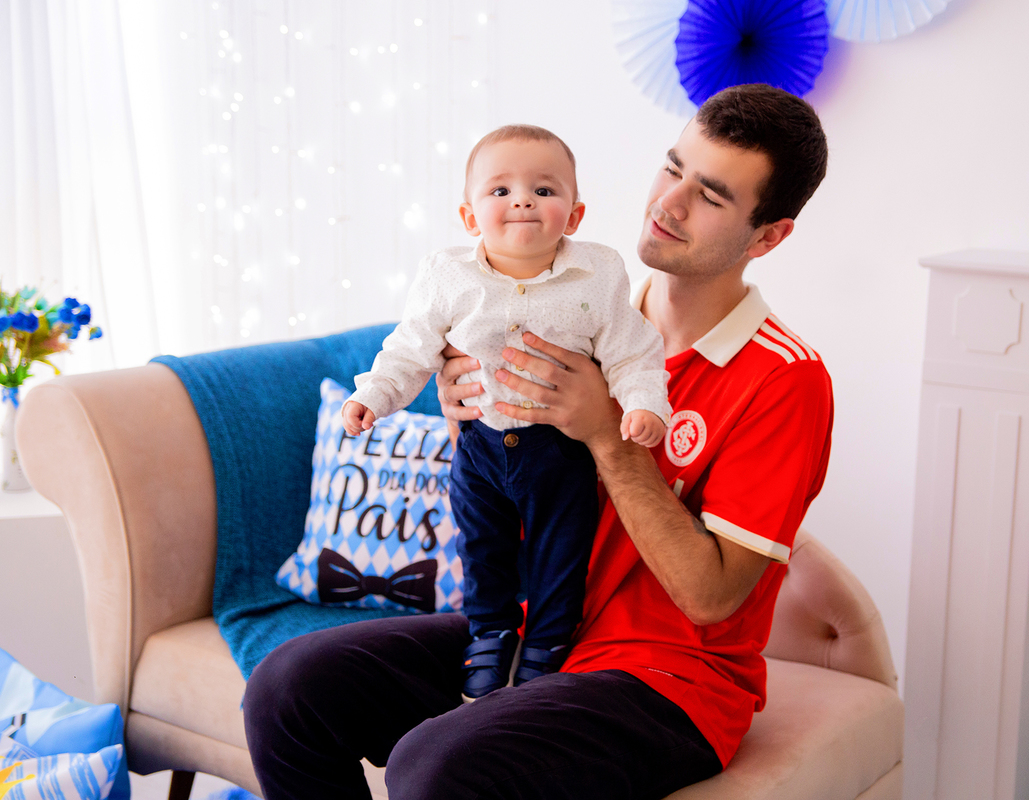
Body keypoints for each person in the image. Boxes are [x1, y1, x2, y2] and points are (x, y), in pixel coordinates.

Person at [244, 83, 833, 800]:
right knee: (288, 690)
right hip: (535, 631)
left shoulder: (784, 380)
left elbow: (711, 598)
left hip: (670, 682)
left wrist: (607, 437)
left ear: (768, 236)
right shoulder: (577, 308)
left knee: (434, 766)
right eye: (672, 168)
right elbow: (506, 483)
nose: (668, 203)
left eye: (710, 196)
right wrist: (465, 409)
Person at [342, 124, 671, 699]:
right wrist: (373, 396)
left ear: (574, 214)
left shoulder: (598, 276)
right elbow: (409, 348)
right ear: (470, 217)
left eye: (544, 190)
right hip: (479, 444)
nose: (522, 199)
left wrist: (644, 404)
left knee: (560, 549)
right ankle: (490, 633)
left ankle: (546, 642)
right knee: (482, 545)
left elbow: (632, 349)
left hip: (557, 450)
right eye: (500, 191)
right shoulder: (447, 276)